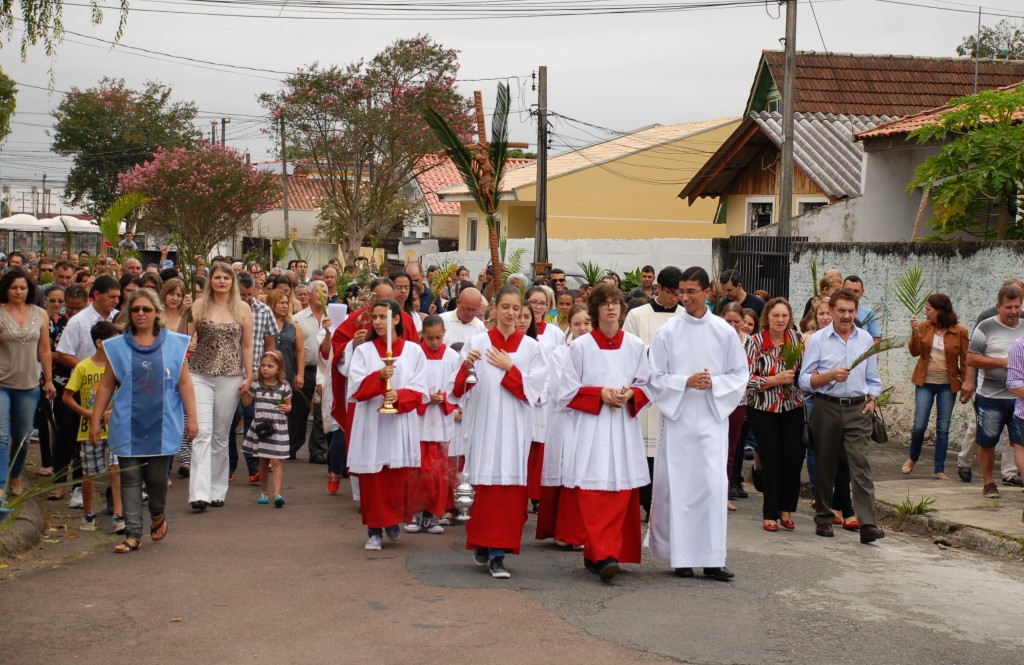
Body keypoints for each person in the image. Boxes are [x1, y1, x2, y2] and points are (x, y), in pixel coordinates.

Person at [647, 267, 747, 580]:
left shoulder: (724, 331)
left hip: (711, 419)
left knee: (712, 487)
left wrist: (714, 384)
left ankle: (713, 559)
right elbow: (654, 377)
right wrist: (684, 382)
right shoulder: (668, 332)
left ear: (707, 292)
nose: (685, 297)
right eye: (682, 291)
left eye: (692, 291)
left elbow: (739, 375)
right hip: (678, 421)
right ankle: (682, 558)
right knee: (681, 488)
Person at [90, 288, 197, 553]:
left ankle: (158, 513)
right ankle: (133, 533)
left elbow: (184, 382)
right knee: (130, 478)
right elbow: (105, 387)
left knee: (158, 479)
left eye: (146, 309)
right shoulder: (116, 347)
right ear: (128, 313)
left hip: (163, 424)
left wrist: (192, 418)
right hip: (127, 422)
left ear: (156, 313)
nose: (140, 314)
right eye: (136, 309)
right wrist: (95, 420)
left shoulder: (175, 343)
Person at [557, 284, 650, 581]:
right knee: (593, 490)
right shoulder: (581, 347)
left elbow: (649, 384)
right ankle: (602, 553)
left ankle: (600, 553)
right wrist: (600, 394)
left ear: (622, 310)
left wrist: (631, 393)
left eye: (615, 302)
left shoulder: (635, 346)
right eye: (604, 303)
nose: (611, 307)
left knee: (621, 489)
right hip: (592, 428)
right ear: (595, 310)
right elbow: (565, 390)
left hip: (622, 426)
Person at [452, 285, 546, 579]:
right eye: (505, 307)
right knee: (483, 484)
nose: (511, 313)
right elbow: (459, 389)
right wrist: (466, 366)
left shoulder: (531, 348)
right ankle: (482, 541)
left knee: (507, 488)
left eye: (516, 309)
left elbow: (537, 392)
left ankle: (499, 553)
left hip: (514, 427)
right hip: (483, 424)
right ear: (494, 308)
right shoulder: (478, 342)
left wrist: (510, 368)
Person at [798, 288, 885, 544]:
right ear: (832, 311)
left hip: (858, 409)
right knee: (825, 463)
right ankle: (824, 517)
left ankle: (868, 524)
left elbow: (873, 379)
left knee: (861, 464)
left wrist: (873, 398)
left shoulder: (866, 339)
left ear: (856, 311)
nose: (846, 316)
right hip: (826, 406)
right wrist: (829, 376)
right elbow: (804, 380)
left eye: (851, 311)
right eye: (841, 311)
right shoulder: (818, 340)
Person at [347, 299, 428, 551]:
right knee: (374, 478)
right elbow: (355, 389)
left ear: (396, 319)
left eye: (384, 317)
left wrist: (399, 396)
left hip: (399, 423)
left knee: (396, 475)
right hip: (372, 421)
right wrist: (378, 378)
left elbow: (421, 388)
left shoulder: (414, 351)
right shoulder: (364, 351)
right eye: (375, 318)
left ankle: (392, 520)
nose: (378, 322)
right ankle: (374, 529)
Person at [186, 261, 254, 512]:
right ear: (210, 281)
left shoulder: (243, 308)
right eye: (218, 277)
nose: (222, 281)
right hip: (200, 374)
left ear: (232, 282)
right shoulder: (198, 306)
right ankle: (198, 493)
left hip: (232, 375)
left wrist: (250, 375)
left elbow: (247, 345)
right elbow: (183, 337)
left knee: (220, 435)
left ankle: (217, 489)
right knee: (201, 432)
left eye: (227, 277)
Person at [622, 266, 683, 519]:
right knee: (645, 453)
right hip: (646, 392)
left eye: (679, 293)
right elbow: (628, 350)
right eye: (671, 292)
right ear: (658, 288)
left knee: (670, 455)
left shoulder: (684, 317)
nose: (676, 298)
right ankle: (644, 503)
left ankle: (664, 507)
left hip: (675, 392)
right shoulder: (637, 315)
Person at [744, 298, 805, 532]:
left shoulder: (796, 340)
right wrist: (773, 380)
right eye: (776, 316)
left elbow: (804, 371)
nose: (780, 320)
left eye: (785, 316)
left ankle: (786, 509)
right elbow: (745, 378)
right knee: (772, 456)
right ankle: (769, 512)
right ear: (767, 318)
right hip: (763, 407)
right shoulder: (756, 342)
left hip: (792, 405)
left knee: (793, 456)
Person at [963, 284, 1024, 499]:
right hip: (991, 396)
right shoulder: (985, 327)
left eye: (1017, 307)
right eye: (1009, 307)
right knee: (987, 440)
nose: (1014, 312)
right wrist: (1002, 362)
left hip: (1019, 399)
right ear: (998, 306)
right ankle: (989, 482)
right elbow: (971, 358)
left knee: (1020, 443)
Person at [0, 268, 57, 500]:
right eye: (14, 287)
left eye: (23, 287)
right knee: (1, 436)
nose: (19, 292)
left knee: (22, 436)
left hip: (29, 384)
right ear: (6, 289)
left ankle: (16, 473)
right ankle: (1, 484)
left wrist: (49, 380)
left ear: (30, 289)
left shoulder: (40, 314)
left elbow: (44, 349)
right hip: (2, 382)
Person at [62, 321, 124, 533]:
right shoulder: (83, 367)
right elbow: (67, 397)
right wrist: (91, 415)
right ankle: (88, 514)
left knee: (116, 468)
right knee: (89, 474)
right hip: (89, 430)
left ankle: (119, 514)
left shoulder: (119, 366)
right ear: (100, 343)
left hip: (115, 429)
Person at [905, 294, 969, 479]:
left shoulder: (960, 331)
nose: (926, 313)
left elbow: (965, 360)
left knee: (943, 427)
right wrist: (915, 331)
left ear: (940, 310)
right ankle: (912, 458)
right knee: (919, 425)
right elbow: (914, 352)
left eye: (929, 310)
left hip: (947, 385)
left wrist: (966, 384)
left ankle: (939, 469)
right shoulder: (924, 327)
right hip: (924, 382)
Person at [406, 314, 459, 534]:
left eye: (438, 337)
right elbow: (409, 383)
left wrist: (445, 399)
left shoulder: (454, 357)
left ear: (444, 333)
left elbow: (458, 387)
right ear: (423, 336)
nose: (435, 342)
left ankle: (432, 515)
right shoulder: (415, 354)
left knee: (438, 471)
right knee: (418, 470)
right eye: (430, 338)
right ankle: (415, 512)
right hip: (421, 419)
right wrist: (427, 397)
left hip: (442, 420)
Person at [241, 351, 292, 507]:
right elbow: (247, 403)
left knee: (276, 461)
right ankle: (264, 491)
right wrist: (243, 392)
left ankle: (277, 493)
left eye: (270, 366)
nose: (265, 369)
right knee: (263, 460)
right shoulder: (256, 384)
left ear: (279, 368)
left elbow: (289, 405)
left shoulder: (284, 387)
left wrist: (286, 408)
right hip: (262, 428)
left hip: (277, 428)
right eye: (263, 365)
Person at [293, 280, 332, 464]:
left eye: (325, 292)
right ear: (308, 295)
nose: (322, 295)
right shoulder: (298, 318)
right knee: (299, 410)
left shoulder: (332, 317)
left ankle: (317, 450)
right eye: (318, 291)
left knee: (320, 410)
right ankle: (292, 444)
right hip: (305, 369)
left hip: (325, 369)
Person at [843, 276, 881, 342]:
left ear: (862, 292)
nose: (851, 294)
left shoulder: (869, 313)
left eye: (856, 291)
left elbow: (876, 340)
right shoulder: (832, 310)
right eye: (848, 290)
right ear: (841, 289)